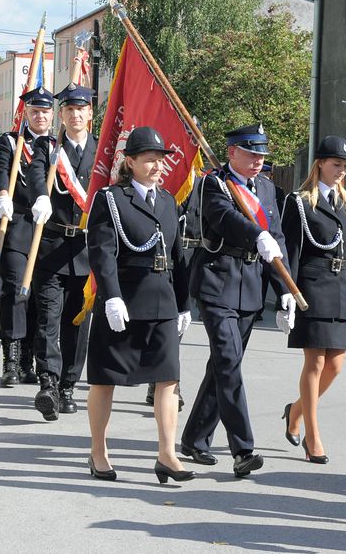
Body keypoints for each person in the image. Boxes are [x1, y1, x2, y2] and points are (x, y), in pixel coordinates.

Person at [180, 123, 294, 477]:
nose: (258, 161)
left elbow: (276, 241)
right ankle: (243, 449)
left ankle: (195, 438)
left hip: (250, 288)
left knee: (221, 366)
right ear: (232, 153)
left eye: (262, 155)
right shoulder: (214, 183)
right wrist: (256, 234)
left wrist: (285, 290)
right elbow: (224, 219)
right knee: (229, 363)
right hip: (218, 282)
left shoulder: (265, 189)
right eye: (251, 154)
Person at [85, 127, 195, 484]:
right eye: (149, 159)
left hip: (162, 301)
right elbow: (102, 251)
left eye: (160, 160)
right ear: (129, 161)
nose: (156, 166)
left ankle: (167, 453)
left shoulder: (167, 201)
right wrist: (111, 295)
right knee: (105, 379)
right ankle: (98, 451)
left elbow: (177, 256)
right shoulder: (111, 199)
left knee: (168, 380)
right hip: (126, 300)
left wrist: (183, 303)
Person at [280, 136, 346, 464]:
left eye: (344, 166)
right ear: (320, 164)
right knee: (314, 363)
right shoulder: (300, 202)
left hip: (340, 290)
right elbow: (292, 253)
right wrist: (287, 295)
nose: (341, 170)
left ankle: (296, 409)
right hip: (311, 290)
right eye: (336, 164)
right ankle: (312, 436)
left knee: (336, 365)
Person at [28, 84, 96, 421]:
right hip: (52, 246)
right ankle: (48, 383)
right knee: (48, 319)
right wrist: (41, 195)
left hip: (86, 249)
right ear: (63, 115)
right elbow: (35, 176)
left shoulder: (101, 152)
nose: (74, 115)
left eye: (79, 109)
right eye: (68, 110)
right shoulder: (48, 148)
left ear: (89, 114)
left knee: (77, 323)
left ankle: (69, 383)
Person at [0, 87, 54, 387]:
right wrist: (3, 194)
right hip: (17, 222)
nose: (40, 116)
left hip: (47, 226)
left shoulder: (57, 145)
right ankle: (12, 359)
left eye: (45, 111)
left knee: (40, 296)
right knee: (15, 290)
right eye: (35, 111)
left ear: (52, 115)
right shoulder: (11, 140)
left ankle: (30, 358)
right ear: (26, 113)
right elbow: (1, 169)